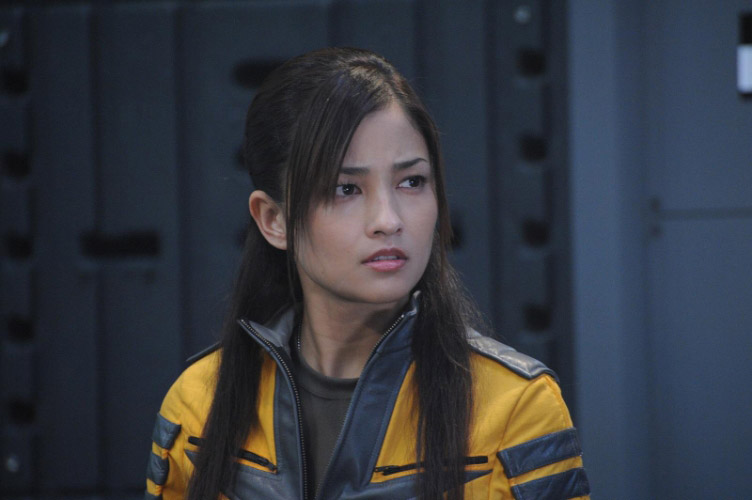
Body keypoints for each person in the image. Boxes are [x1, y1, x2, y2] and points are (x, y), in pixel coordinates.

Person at [145, 47, 589, 500]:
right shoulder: (198, 407)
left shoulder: (516, 409)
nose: (388, 220)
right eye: (346, 189)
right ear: (273, 220)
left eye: (412, 182)